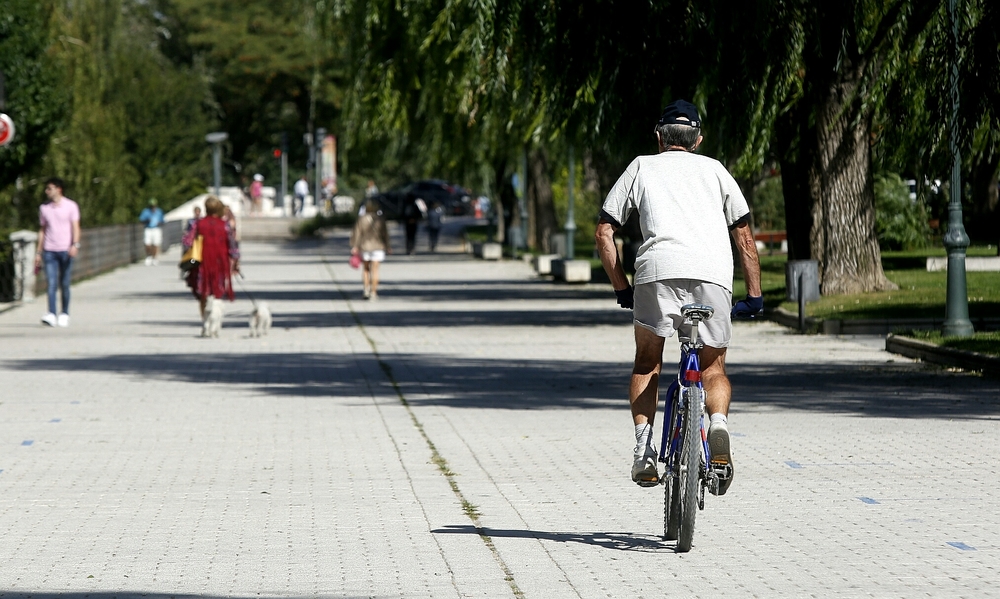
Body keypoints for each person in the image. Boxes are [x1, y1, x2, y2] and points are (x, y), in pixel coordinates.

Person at [594, 99, 763, 496]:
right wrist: (754, 295)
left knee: (648, 361)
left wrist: (622, 287)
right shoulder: (717, 170)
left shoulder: (641, 166)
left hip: (657, 274)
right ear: (699, 140)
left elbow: (605, 232)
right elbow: (745, 238)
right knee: (713, 368)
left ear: (658, 137)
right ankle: (718, 427)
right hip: (713, 277)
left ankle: (643, 450)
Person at [182, 196, 240, 320]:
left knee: (203, 291)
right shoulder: (225, 225)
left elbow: (187, 242)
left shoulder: (198, 224)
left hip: (201, 262)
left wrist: (190, 258)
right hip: (220, 262)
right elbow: (232, 245)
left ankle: (205, 319)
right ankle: (215, 318)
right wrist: (236, 262)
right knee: (217, 290)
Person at [34, 177, 80, 327]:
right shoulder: (44, 208)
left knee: (65, 283)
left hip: (65, 250)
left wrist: (75, 244)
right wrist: (38, 252)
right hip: (49, 250)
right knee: (51, 283)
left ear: (59, 189)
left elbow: (75, 227)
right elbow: (42, 230)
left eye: (50, 188)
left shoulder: (71, 206)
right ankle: (52, 313)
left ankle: (64, 313)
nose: (47, 191)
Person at [350, 199, 391, 300]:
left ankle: (366, 289)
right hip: (378, 247)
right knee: (375, 270)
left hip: (365, 246)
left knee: (366, 269)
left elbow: (357, 233)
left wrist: (355, 246)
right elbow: (385, 234)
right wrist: (388, 245)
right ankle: (373, 292)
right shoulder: (380, 219)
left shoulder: (361, 219)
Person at [139, 198, 165, 265]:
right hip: (148, 228)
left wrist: (159, 223)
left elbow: (163, 221)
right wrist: (147, 221)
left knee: (155, 244)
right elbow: (141, 220)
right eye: (151, 206)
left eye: (154, 206)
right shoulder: (146, 211)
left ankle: (154, 257)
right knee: (147, 243)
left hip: (156, 229)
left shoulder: (159, 212)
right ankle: (149, 256)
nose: (153, 207)